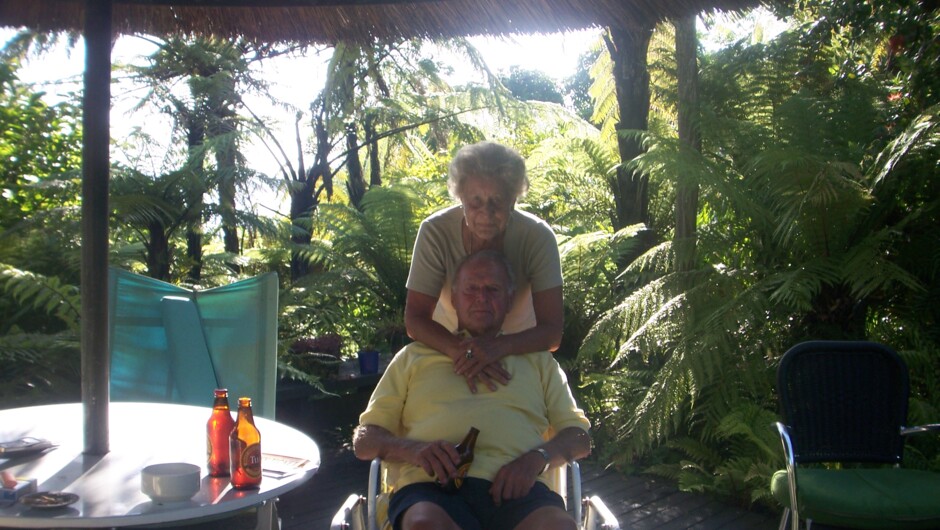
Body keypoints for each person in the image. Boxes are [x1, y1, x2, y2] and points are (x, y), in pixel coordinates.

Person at [354, 250, 591, 530]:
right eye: (471, 289)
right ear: (453, 298)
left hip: (519, 490)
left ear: (509, 300)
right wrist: (413, 450)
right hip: (431, 488)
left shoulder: (538, 361)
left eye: (493, 289)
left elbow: (579, 438)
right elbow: (365, 441)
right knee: (425, 525)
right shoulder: (414, 356)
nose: (482, 297)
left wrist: (535, 460)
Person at [405, 141, 563, 391]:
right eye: (475, 202)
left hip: (518, 357)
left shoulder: (537, 237)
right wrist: (467, 353)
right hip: (447, 353)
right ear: (461, 198)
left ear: (513, 200)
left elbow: (552, 332)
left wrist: (498, 348)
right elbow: (415, 319)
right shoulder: (435, 232)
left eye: (497, 202)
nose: (486, 214)